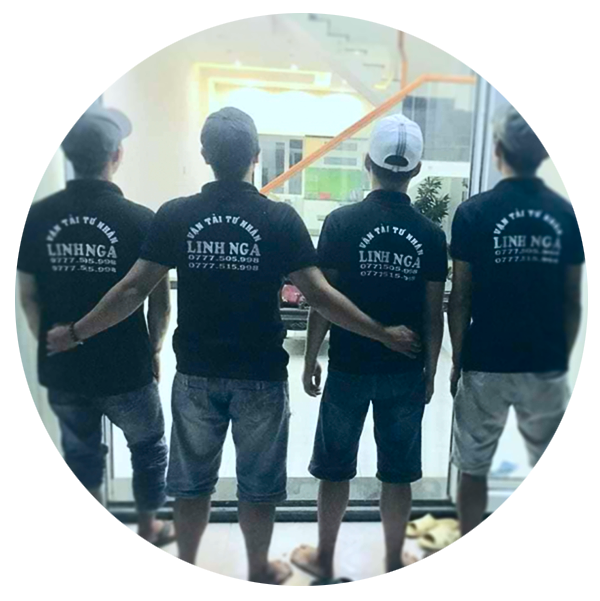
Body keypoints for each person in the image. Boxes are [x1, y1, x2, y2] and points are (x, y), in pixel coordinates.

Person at [46, 107, 421, 585]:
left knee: (191, 486)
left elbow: (133, 290)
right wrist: (383, 333)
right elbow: (321, 296)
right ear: (256, 156)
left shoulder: (177, 214)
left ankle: (187, 569)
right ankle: (259, 571)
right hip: (261, 377)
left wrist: (76, 331)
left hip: (196, 375)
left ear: (206, 155)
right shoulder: (279, 218)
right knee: (257, 490)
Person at [292, 114, 447, 582]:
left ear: (367, 163)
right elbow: (433, 312)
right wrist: (431, 369)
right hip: (404, 368)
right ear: (415, 170)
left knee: (334, 470)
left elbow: (323, 299)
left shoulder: (341, 223)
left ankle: (324, 559)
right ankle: (393, 561)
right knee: (398, 473)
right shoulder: (431, 235)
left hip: (348, 367)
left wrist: (312, 356)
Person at [17, 107, 173, 545]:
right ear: (116, 155)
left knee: (81, 453)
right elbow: (158, 303)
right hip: (126, 368)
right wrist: (154, 349)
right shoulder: (142, 220)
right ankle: (149, 526)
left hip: (65, 370)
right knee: (148, 447)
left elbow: (28, 295)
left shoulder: (37, 216)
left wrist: (52, 344)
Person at [448, 106, 584, 535]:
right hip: (544, 360)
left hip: (486, 359)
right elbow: (572, 301)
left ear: (497, 149)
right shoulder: (566, 214)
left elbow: (460, 298)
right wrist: (560, 357)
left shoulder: (473, 213)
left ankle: (468, 542)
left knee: (473, 468)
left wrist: (457, 359)